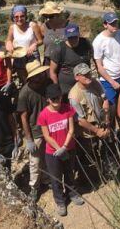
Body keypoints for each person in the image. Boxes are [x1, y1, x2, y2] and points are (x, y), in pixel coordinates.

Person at [38, 83, 84, 217]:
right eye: (53, 99)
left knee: (69, 173)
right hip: (52, 153)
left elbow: (71, 129)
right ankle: (60, 201)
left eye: (58, 98)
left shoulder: (68, 109)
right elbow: (46, 136)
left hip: (69, 148)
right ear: (48, 99)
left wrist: (64, 147)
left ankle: (72, 194)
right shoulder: (43, 115)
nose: (56, 101)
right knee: (56, 178)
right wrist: (59, 148)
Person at [68, 63, 110, 186]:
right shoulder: (74, 96)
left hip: (101, 124)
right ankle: (88, 181)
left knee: (102, 151)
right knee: (88, 156)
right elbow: (80, 120)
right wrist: (96, 131)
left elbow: (105, 100)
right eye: (84, 75)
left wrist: (106, 121)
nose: (88, 76)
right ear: (77, 77)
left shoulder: (95, 82)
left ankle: (102, 173)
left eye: (88, 73)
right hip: (87, 132)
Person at [17, 60, 51, 201]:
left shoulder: (47, 83)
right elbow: (23, 117)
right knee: (35, 161)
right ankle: (34, 187)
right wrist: (29, 139)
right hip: (36, 131)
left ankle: (46, 180)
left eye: (41, 73)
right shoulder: (25, 93)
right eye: (38, 74)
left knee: (48, 157)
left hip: (50, 127)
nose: (41, 76)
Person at [92, 12, 120, 110]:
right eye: (112, 23)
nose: (115, 25)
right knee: (110, 108)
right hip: (108, 80)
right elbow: (99, 66)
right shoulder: (98, 41)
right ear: (105, 25)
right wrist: (112, 82)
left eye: (116, 23)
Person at [50, 22, 93, 98]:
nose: (73, 40)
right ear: (66, 37)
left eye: (75, 37)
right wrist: (57, 89)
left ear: (79, 35)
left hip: (85, 86)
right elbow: (52, 71)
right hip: (66, 89)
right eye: (70, 38)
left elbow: (94, 59)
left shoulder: (86, 43)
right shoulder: (60, 49)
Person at [6, 5, 44, 83]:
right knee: (24, 80)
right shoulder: (12, 28)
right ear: (13, 17)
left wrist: (35, 44)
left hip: (32, 55)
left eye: (22, 16)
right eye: (16, 17)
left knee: (36, 79)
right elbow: (9, 40)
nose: (19, 19)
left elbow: (41, 40)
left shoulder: (32, 25)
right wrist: (9, 44)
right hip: (18, 56)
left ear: (26, 16)